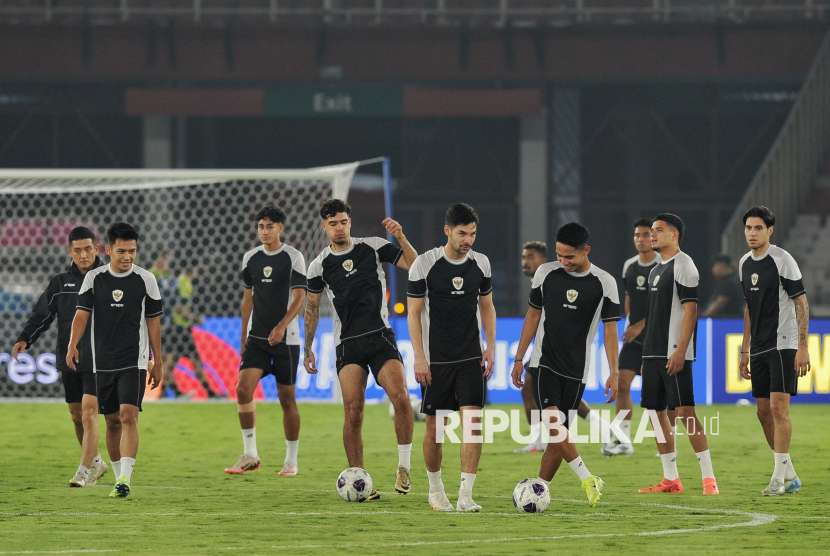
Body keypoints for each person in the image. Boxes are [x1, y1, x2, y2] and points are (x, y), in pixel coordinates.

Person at [304, 199, 417, 500]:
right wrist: (308, 347)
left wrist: (401, 237)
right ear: (324, 226)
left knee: (402, 398)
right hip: (348, 345)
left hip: (380, 336)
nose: (338, 227)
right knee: (353, 412)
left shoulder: (374, 247)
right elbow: (312, 308)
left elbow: (415, 266)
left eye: (343, 221)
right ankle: (360, 480)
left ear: (349, 223)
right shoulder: (319, 265)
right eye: (332, 223)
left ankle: (404, 467)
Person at [511, 222, 620, 507]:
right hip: (544, 362)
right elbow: (532, 316)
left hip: (577, 370)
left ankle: (540, 489)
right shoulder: (546, 273)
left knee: (558, 437)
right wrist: (519, 358)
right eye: (559, 255)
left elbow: (610, 331)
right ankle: (587, 478)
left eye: (569, 256)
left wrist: (614, 371)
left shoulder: (605, 283)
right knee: (551, 421)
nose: (563, 261)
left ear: (586, 251)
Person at [408, 203, 497, 512]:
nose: (467, 240)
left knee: (473, 425)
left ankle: (466, 495)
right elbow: (414, 314)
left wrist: (491, 346)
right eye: (462, 233)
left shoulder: (481, 264)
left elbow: (487, 306)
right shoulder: (424, 264)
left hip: (471, 358)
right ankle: (436, 492)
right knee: (435, 428)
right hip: (436, 361)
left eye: (472, 233)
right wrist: (419, 357)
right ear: (447, 231)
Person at [67, 222, 164, 498]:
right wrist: (72, 345)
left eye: (132, 251)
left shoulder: (146, 280)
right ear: (108, 250)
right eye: (121, 251)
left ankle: (124, 478)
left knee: (129, 416)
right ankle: (118, 474)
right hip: (102, 363)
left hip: (134, 360)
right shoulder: (94, 279)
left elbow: (154, 322)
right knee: (111, 422)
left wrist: (157, 361)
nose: (127, 257)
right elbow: (82, 315)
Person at [12, 226, 114, 487]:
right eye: (77, 250)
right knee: (76, 414)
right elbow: (42, 315)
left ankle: (82, 472)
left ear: (97, 248)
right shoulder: (60, 283)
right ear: (69, 251)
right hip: (70, 358)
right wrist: (25, 338)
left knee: (90, 413)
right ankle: (95, 463)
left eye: (88, 249)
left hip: (100, 358)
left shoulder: (110, 278)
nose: (83, 255)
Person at [638, 214, 719, 495]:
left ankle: (709, 479)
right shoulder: (655, 270)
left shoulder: (683, 265)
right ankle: (670, 478)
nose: (652, 235)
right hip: (652, 354)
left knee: (685, 411)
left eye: (658, 231)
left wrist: (681, 351)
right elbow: (656, 315)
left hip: (674, 353)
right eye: (651, 231)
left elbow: (691, 310)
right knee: (656, 414)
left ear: (674, 235)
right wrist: (645, 355)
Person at [225, 205, 307, 476]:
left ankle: (291, 460)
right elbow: (247, 299)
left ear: (280, 228)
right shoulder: (250, 258)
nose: (265, 231)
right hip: (257, 339)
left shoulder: (293, 257)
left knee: (287, 399)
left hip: (287, 340)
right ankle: (250, 455)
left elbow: (299, 297)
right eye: (261, 226)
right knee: (242, 389)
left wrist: (283, 326)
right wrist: (242, 336)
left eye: (270, 226)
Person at [738, 206, 809, 496]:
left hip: (784, 343)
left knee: (779, 409)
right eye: (748, 228)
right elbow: (748, 309)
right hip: (759, 346)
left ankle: (778, 479)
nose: (752, 233)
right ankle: (790, 473)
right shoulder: (744, 262)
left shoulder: (782, 260)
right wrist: (744, 350)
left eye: (758, 228)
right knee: (763, 413)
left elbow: (801, 303)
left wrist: (803, 346)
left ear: (770, 230)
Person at [515, 241, 609, 454]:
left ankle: (541, 441)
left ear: (542, 260)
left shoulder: (552, 278)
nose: (525, 262)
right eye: (523, 257)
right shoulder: (540, 280)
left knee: (537, 390)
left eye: (530, 257)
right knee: (534, 391)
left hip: (556, 348)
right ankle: (603, 428)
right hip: (544, 346)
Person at [602, 218, 662, 457]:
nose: (641, 239)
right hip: (634, 338)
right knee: (622, 385)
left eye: (646, 235)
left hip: (657, 338)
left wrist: (640, 325)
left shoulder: (663, 265)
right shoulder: (630, 266)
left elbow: (663, 305)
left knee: (655, 391)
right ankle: (624, 441)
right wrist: (630, 323)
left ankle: (667, 444)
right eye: (637, 235)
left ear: (654, 237)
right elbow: (628, 297)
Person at [162, 267, 222, 399]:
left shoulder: (177, 281)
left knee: (172, 363)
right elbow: (179, 309)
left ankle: (166, 392)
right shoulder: (185, 284)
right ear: (192, 269)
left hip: (175, 327)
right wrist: (195, 319)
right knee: (194, 362)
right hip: (180, 328)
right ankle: (210, 393)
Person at [701, 254, 745, 318]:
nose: (713, 269)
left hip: (726, 321)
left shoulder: (728, 283)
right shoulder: (735, 279)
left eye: (715, 266)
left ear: (722, 266)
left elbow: (720, 303)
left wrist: (704, 317)